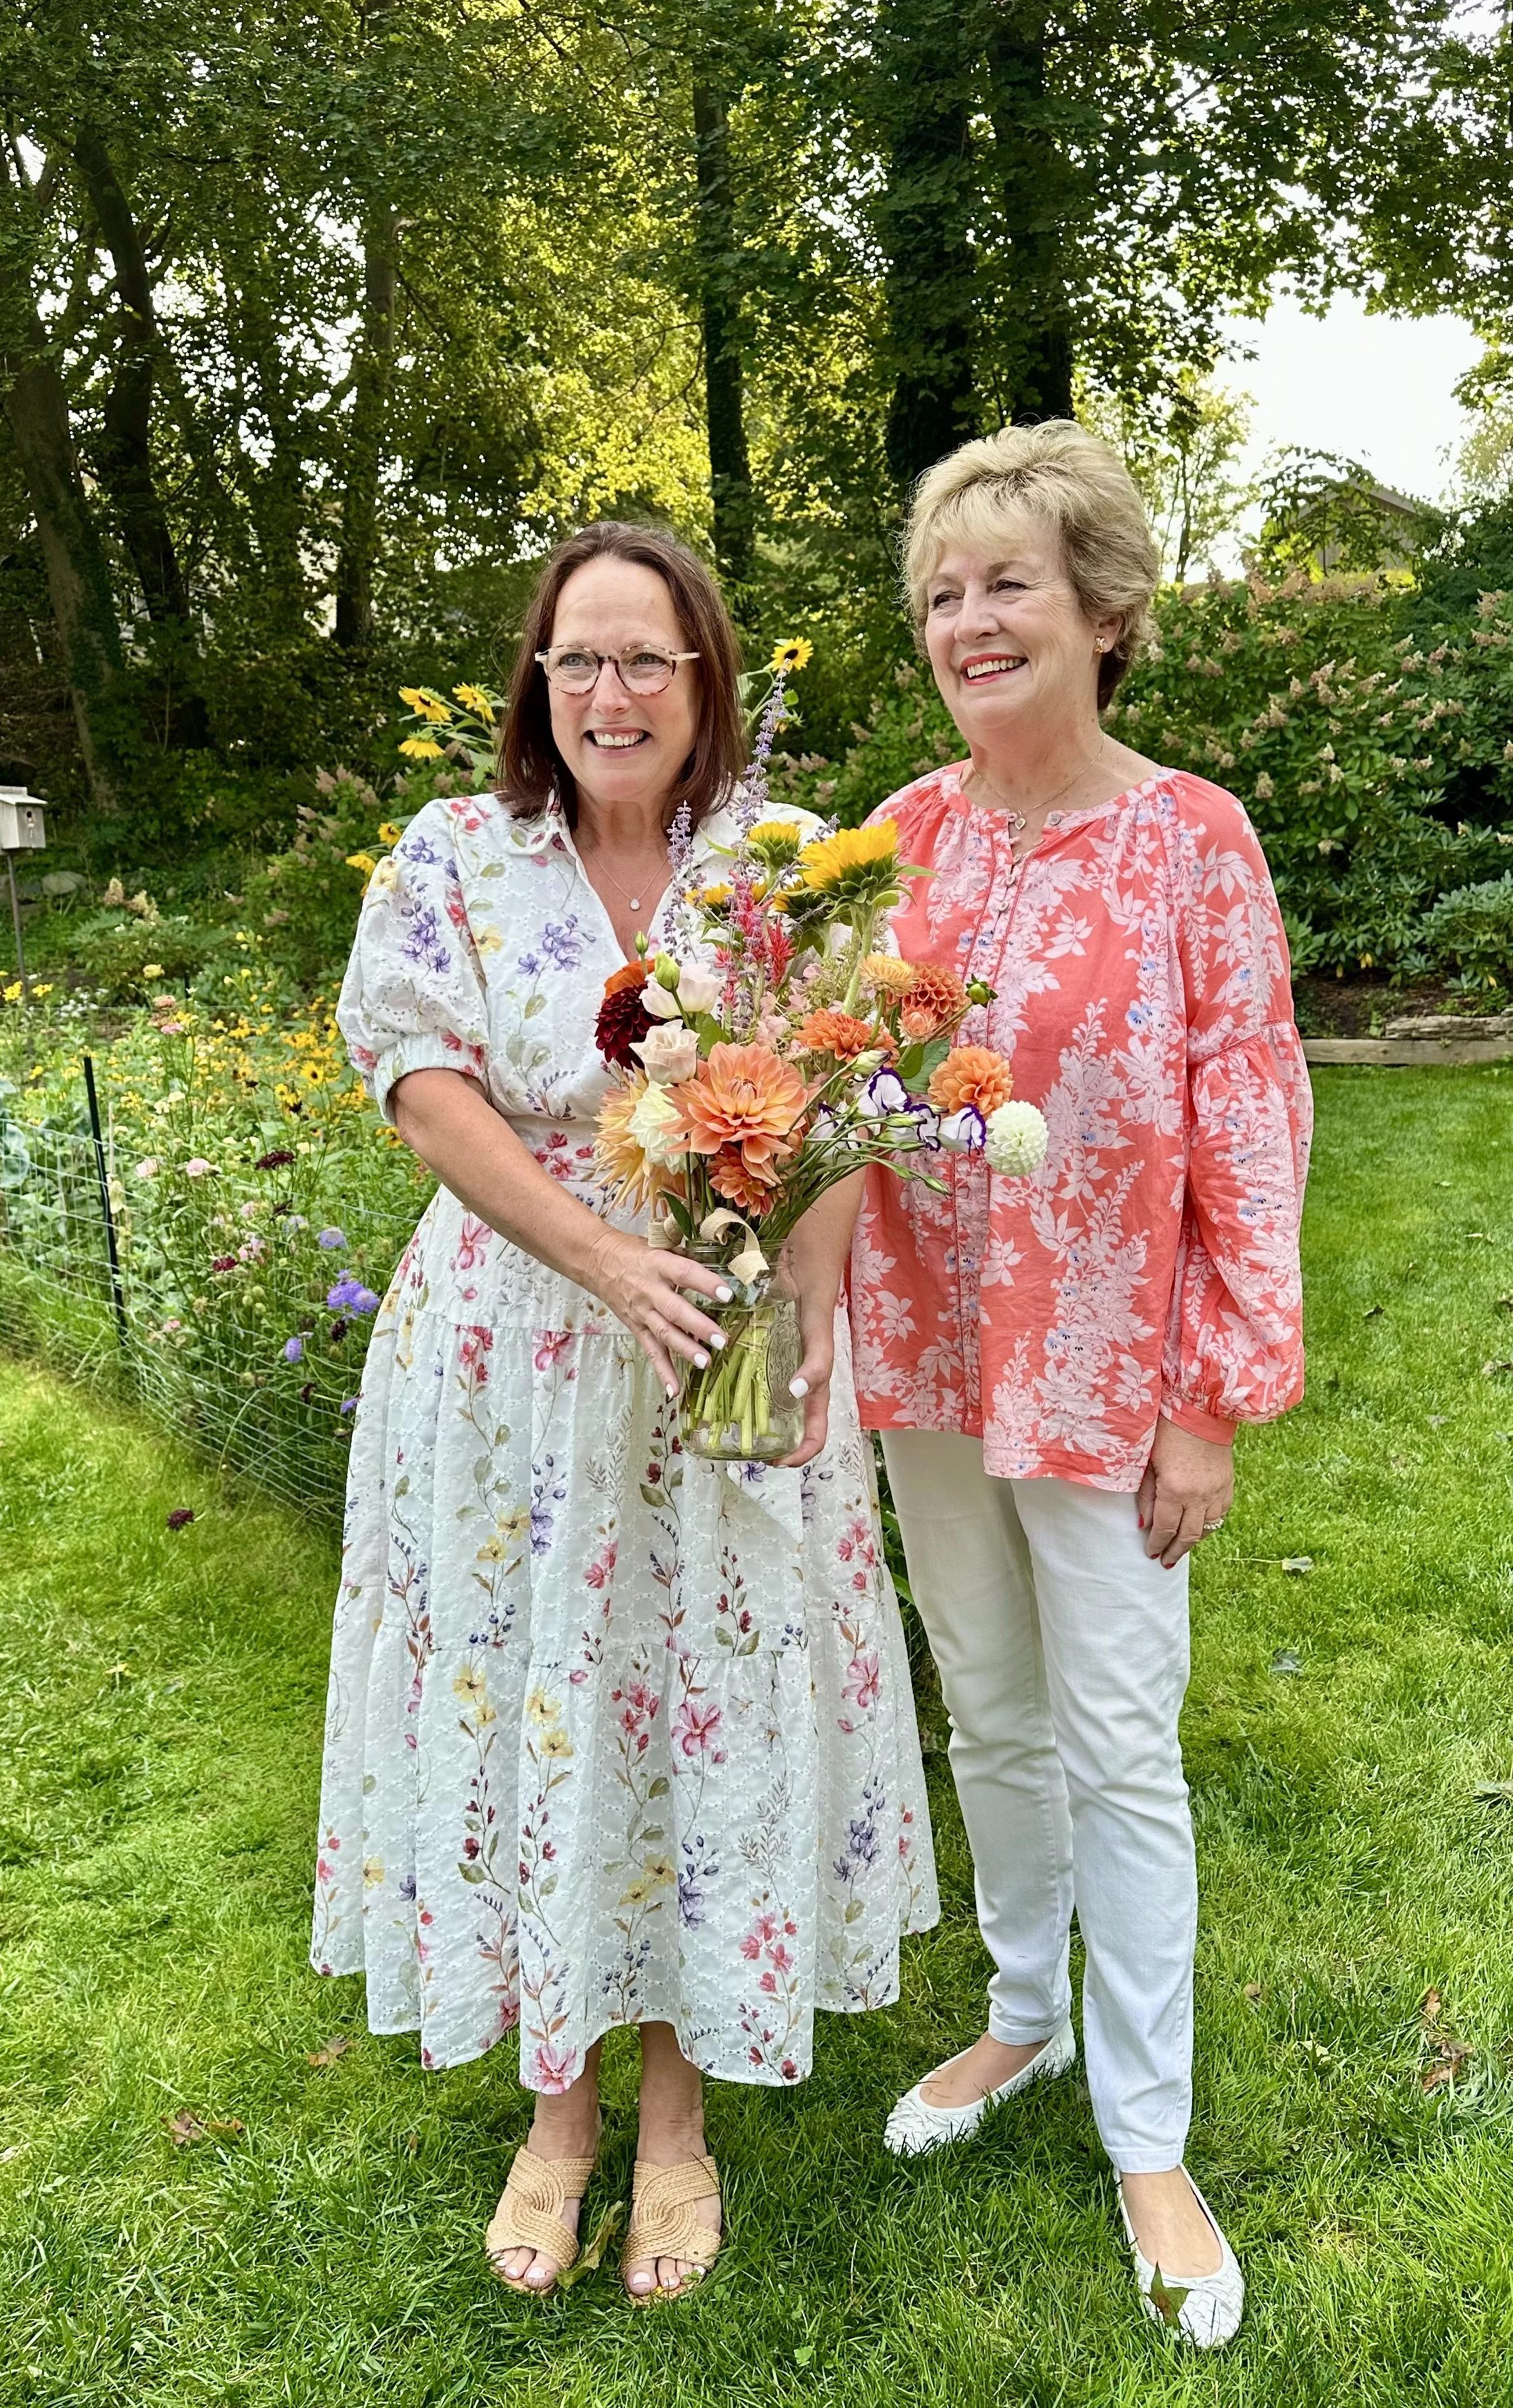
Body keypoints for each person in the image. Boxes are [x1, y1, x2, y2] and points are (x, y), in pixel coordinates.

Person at [310, 521, 938, 2304]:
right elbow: (425, 1088)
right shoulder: (456, 855)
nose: (610, 692)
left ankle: (676, 2117)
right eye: (578, 658)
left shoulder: (780, 868)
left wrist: (807, 1308)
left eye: (646, 658)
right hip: (517, 1350)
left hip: (723, 1328)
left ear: (703, 679)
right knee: (535, 1690)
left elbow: (845, 1088)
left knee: (701, 1690)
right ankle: (557, 2110)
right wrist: (603, 1261)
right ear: (538, 678)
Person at [849, 422, 1312, 2349]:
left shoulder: (1190, 834)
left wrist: (1209, 1393)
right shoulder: (898, 836)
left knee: (1118, 1744)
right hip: (928, 1351)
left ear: (1103, 610)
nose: (970, 619)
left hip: (1113, 1370)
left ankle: (1147, 2132)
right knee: (989, 1711)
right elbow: (823, 1077)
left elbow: (1249, 1113)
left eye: (1007, 582)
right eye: (944, 591)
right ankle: (1021, 2017)